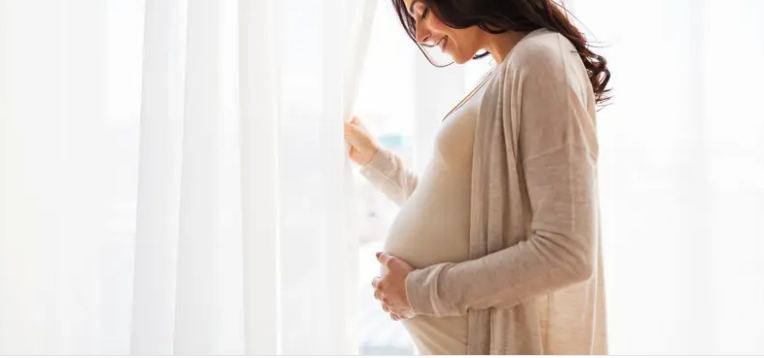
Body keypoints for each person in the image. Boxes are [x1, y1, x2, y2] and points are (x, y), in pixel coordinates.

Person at [343, 0, 611, 354]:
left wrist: (417, 292)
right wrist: (375, 161)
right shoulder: (511, 68)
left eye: (422, 11)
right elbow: (462, 214)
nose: (421, 34)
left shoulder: (542, 61)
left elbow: (566, 254)